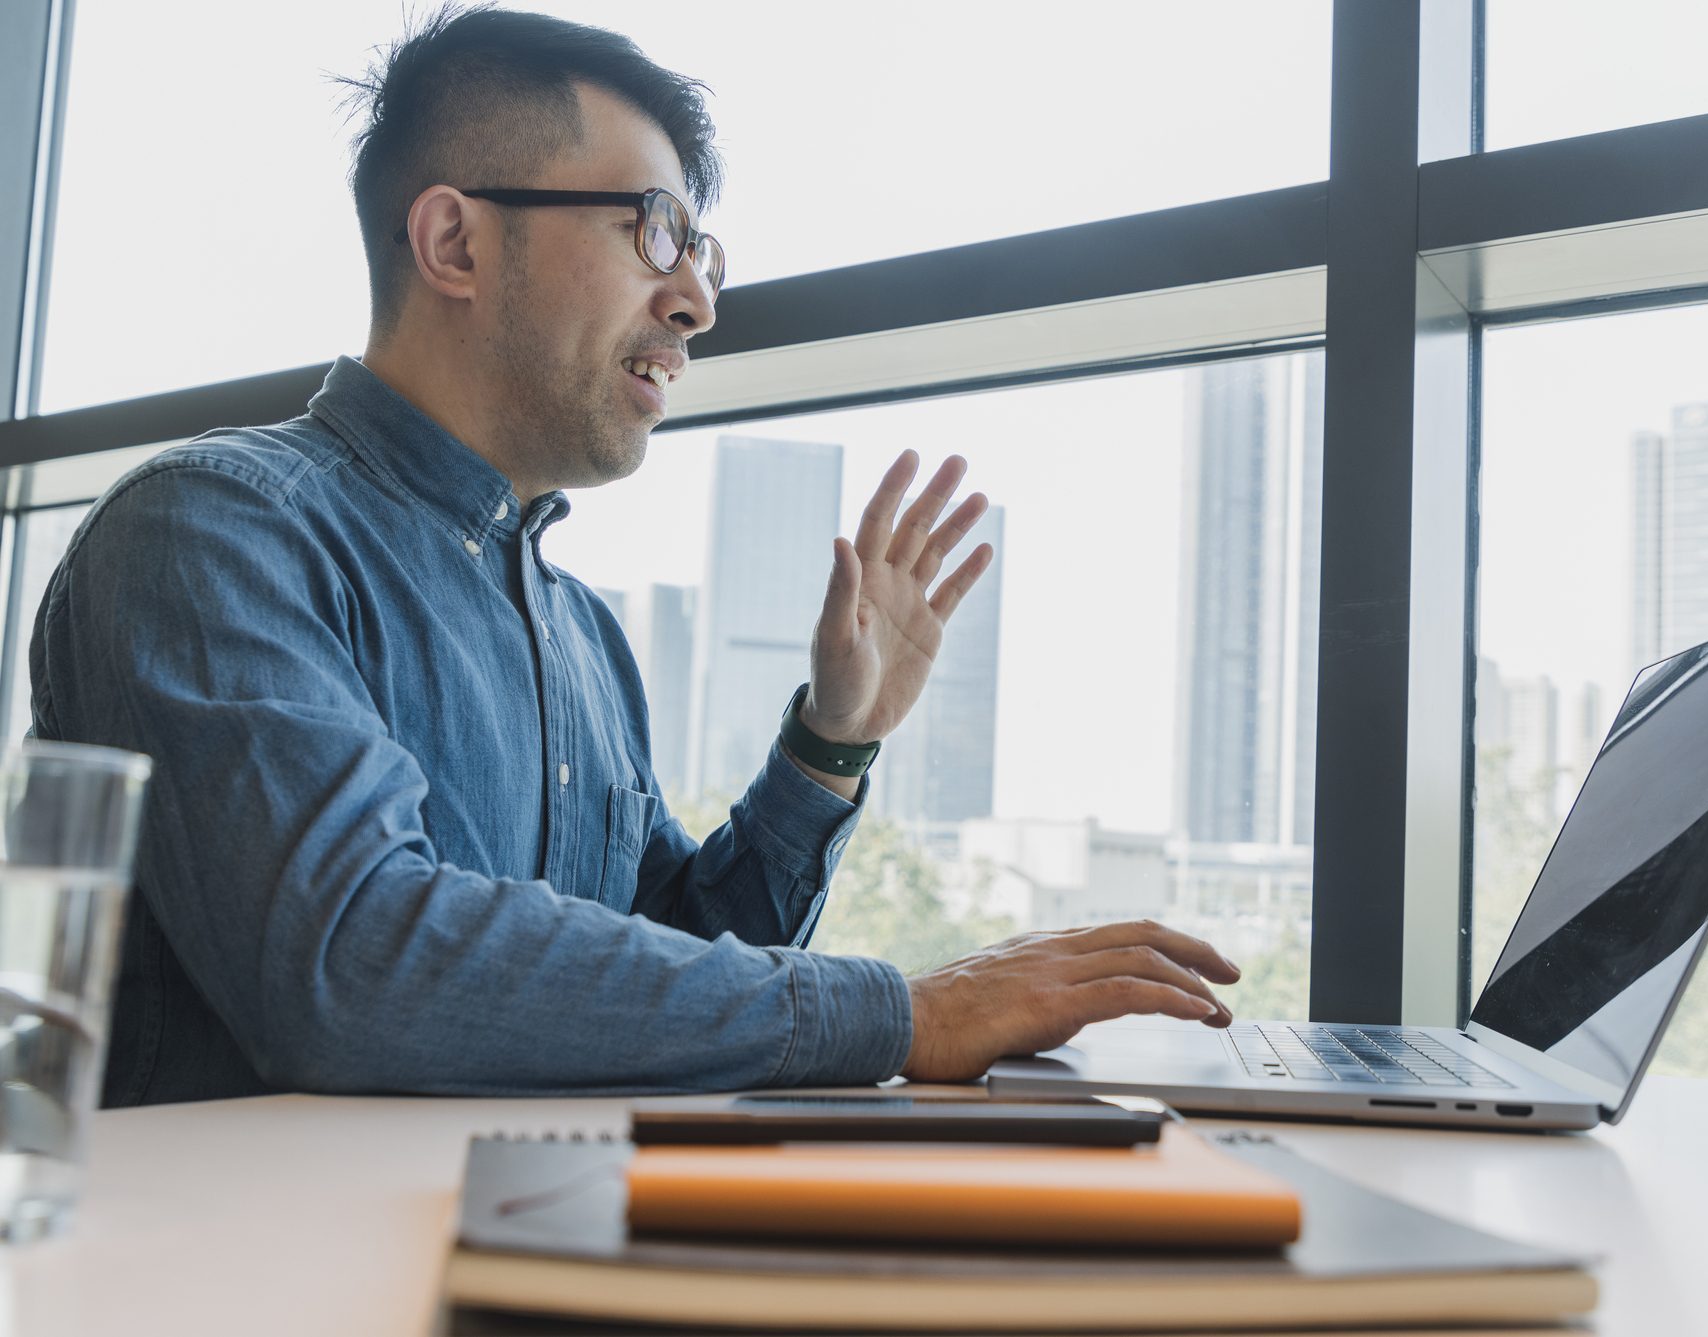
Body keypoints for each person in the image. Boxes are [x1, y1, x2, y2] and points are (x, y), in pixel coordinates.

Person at [29, 4, 1237, 1108]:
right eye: (652, 229)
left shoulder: (580, 630)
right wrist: (907, 1012)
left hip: (521, 1231)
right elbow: (356, 960)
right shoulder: (213, 529)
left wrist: (828, 744)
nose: (697, 301)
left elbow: (670, 943)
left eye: (702, 253)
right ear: (453, 240)